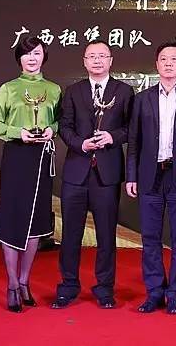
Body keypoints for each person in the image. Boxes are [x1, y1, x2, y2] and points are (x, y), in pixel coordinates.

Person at [125, 42, 176, 315]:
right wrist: (131, 175)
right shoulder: (142, 99)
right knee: (150, 237)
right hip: (149, 175)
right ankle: (154, 292)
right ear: (157, 64)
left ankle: (175, 294)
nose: (169, 63)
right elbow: (134, 141)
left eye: (174, 59)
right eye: (163, 59)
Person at [51, 40, 134, 309]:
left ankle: (105, 288)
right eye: (91, 56)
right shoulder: (73, 91)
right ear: (84, 61)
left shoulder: (124, 91)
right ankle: (68, 286)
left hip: (106, 174)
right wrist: (80, 144)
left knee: (106, 235)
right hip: (76, 172)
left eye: (102, 56)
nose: (97, 60)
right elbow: (64, 126)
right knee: (70, 234)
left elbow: (131, 128)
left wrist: (112, 137)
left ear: (111, 60)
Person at [0, 36, 60, 313]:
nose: (32, 58)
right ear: (19, 58)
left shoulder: (54, 89)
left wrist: (52, 129)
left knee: (36, 222)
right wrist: (19, 133)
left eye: (37, 53)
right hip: (16, 157)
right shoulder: (8, 88)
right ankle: (12, 284)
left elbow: (61, 122)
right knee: (12, 218)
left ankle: (26, 280)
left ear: (44, 57)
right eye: (27, 53)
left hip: (41, 159)